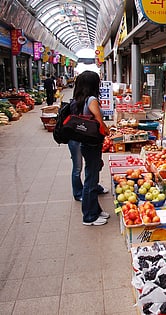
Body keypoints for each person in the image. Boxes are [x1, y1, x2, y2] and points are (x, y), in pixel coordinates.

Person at [71, 70, 110, 226]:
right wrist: (108, 131)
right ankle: (89, 216)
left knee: (91, 177)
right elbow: (100, 123)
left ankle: (96, 209)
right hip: (92, 144)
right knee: (91, 179)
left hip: (85, 142)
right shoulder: (92, 99)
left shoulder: (77, 99)